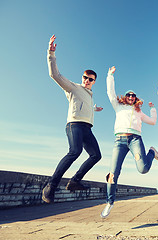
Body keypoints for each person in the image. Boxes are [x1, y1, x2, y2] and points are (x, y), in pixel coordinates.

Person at [42, 35, 103, 204]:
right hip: (74, 125)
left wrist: (94, 109)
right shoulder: (74, 87)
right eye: (85, 77)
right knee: (75, 151)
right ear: (82, 77)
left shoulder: (90, 96)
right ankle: (51, 186)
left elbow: (85, 108)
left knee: (96, 155)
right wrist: (51, 54)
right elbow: (55, 75)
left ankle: (75, 180)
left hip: (87, 128)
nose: (87, 81)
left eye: (90, 79)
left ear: (94, 82)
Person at [101, 66, 158, 218]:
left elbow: (153, 122)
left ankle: (152, 152)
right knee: (113, 173)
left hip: (135, 140)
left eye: (133, 96)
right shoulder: (118, 106)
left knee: (143, 169)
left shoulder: (139, 112)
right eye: (129, 95)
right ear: (125, 97)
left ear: (135, 99)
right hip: (119, 141)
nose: (131, 97)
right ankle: (109, 203)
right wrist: (110, 75)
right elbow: (110, 92)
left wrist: (153, 109)